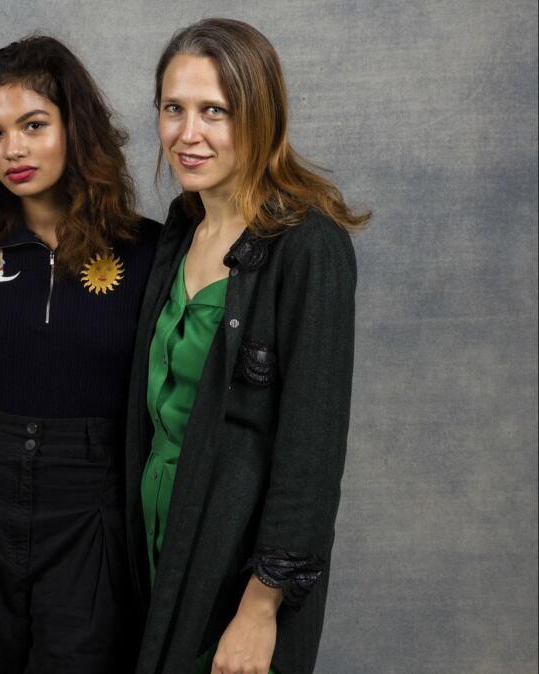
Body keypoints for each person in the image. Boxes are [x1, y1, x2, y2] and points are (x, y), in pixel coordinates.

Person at [125, 18, 369, 674]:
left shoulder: (308, 248)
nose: (188, 133)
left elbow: (310, 452)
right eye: (173, 109)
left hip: (233, 561)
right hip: (156, 542)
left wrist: (261, 606)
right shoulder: (180, 232)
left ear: (259, 116)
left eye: (215, 111)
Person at [0, 35, 160, 673]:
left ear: (74, 128)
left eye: (33, 125)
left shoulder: (151, 253)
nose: (14, 151)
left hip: (95, 507)